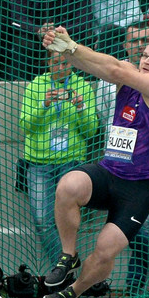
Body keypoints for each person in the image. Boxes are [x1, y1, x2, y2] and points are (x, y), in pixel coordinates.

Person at [40, 25, 149, 298]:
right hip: (110, 173)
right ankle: (68, 255)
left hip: (140, 187)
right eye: (144, 55)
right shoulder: (129, 80)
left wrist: (71, 48)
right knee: (68, 185)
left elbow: (116, 71)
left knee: (106, 252)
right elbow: (102, 65)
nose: (146, 60)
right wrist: (65, 48)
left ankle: (74, 291)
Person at [95, 21, 149, 297]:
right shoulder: (113, 77)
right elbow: (103, 118)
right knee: (118, 232)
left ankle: (134, 289)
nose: (142, 55)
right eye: (137, 47)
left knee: (140, 232)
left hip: (145, 172)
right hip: (114, 165)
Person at [19, 51, 99, 267]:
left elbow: (91, 131)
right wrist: (44, 105)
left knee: (68, 222)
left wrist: (81, 108)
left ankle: (63, 267)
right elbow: (26, 126)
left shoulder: (82, 86)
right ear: (47, 63)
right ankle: (65, 265)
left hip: (71, 163)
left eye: (66, 63)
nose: (61, 67)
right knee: (42, 221)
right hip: (38, 163)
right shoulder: (36, 86)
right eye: (56, 62)